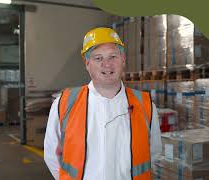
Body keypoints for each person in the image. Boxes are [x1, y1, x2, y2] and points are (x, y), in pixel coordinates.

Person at [44, 27, 162, 180]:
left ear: (123, 60)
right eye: (98, 58)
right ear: (87, 64)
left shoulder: (145, 106)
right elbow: (52, 155)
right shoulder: (64, 104)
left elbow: (154, 154)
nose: (107, 64)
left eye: (113, 56)